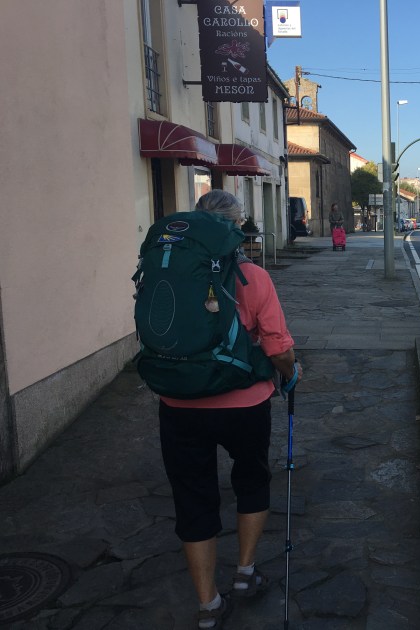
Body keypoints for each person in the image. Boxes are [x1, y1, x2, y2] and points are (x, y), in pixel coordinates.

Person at [157, 190, 301, 629]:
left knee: (192, 495)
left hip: (180, 404)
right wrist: (291, 373)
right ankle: (244, 572)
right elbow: (278, 347)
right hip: (244, 402)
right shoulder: (252, 276)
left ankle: (208, 605)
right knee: (252, 479)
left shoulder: (168, 272)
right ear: (237, 227)